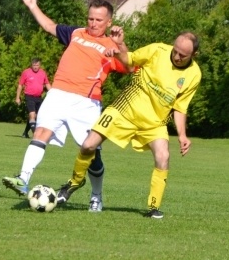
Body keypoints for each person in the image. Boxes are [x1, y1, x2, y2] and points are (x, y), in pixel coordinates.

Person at [1, 0, 129, 205]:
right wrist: (33, 6)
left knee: (91, 152)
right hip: (58, 94)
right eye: (90, 18)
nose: (93, 23)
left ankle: (96, 196)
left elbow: (131, 66)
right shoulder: (77, 33)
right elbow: (50, 26)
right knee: (41, 132)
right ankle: (23, 178)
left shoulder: (112, 45)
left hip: (86, 102)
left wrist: (121, 46)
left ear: (109, 22)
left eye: (99, 20)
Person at [58, 31, 202, 219]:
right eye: (175, 51)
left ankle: (153, 207)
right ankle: (75, 182)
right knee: (88, 145)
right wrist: (117, 51)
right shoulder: (157, 50)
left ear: (194, 55)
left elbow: (180, 107)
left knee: (163, 156)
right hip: (124, 109)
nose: (176, 56)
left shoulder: (194, 74)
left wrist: (182, 135)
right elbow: (130, 60)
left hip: (154, 123)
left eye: (183, 55)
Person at [15, 57, 51, 138]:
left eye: (37, 65)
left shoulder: (43, 73)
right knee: (32, 115)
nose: (35, 67)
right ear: (31, 65)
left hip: (39, 97)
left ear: (39, 65)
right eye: (34, 65)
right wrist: (17, 97)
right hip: (29, 96)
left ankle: (25, 133)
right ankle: (36, 134)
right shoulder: (26, 72)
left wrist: (52, 94)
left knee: (37, 117)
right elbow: (20, 85)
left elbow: (47, 84)